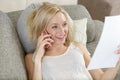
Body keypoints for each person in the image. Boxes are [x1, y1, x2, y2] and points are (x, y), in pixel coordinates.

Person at [25, 2, 120, 80]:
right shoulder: (32, 58)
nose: (62, 31)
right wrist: (38, 59)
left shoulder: (77, 47)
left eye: (64, 24)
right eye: (54, 26)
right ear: (42, 30)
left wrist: (118, 61)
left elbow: (100, 78)